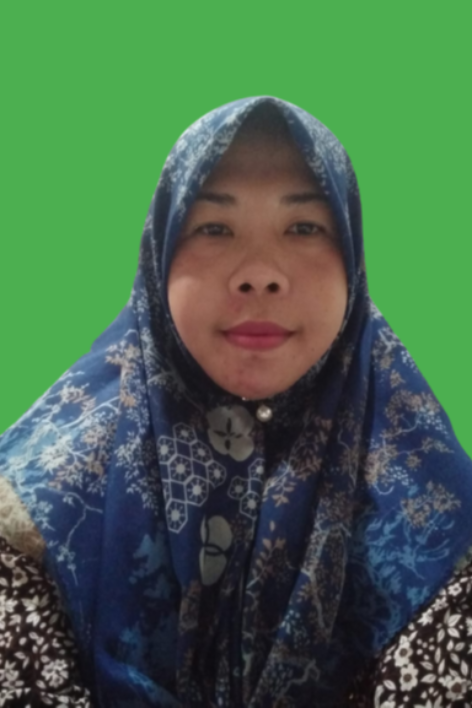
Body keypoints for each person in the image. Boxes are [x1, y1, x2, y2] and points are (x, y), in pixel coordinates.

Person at [1, 97, 472, 707]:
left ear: (353, 260)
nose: (260, 273)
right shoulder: (37, 508)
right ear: (159, 254)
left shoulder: (434, 511)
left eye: (304, 227)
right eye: (214, 228)